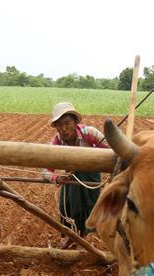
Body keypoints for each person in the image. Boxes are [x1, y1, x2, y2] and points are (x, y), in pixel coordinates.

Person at [42, 102, 108, 248]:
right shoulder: (57, 141)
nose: (64, 129)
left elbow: (110, 150)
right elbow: (45, 171)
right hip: (71, 176)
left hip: (91, 177)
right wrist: (57, 178)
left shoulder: (89, 133)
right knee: (67, 205)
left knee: (87, 206)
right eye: (59, 125)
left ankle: (82, 237)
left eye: (67, 123)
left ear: (75, 122)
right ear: (55, 127)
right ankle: (72, 236)